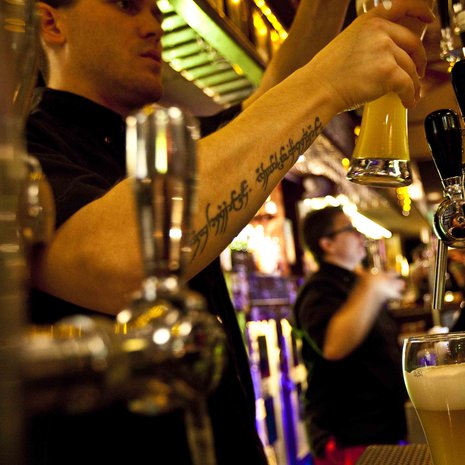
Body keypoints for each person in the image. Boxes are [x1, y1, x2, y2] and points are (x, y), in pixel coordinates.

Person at [25, 0, 434, 463]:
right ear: (51, 21)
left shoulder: (160, 143)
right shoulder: (22, 146)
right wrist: (328, 83)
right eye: (128, 6)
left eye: (157, 13)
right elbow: (119, 263)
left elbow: (279, 93)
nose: (153, 26)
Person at [293, 206, 408, 465]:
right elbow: (333, 346)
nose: (360, 236)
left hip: (381, 429)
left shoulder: (356, 283)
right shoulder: (319, 288)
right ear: (327, 244)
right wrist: (372, 288)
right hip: (349, 436)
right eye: (350, 229)